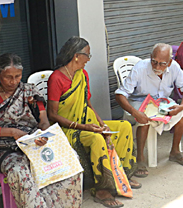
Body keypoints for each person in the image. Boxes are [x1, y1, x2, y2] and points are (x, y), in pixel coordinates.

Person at [47, 37, 139, 208]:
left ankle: (122, 176)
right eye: (87, 55)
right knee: (96, 139)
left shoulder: (83, 75)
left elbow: (88, 104)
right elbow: (52, 115)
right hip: (68, 128)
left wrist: (100, 123)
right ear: (76, 56)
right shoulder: (57, 78)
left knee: (124, 126)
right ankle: (102, 189)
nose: (89, 59)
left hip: (86, 121)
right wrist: (83, 127)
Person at [0, 53, 82, 208]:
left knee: (69, 158)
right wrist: (12, 132)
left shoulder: (29, 92)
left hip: (32, 143)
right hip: (0, 148)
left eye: (18, 76)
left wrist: (43, 136)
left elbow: (44, 121)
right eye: (8, 77)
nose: (13, 82)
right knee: (19, 170)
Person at [115, 43, 183, 171]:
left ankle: (175, 152)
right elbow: (120, 95)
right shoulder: (140, 68)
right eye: (154, 62)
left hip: (161, 101)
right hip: (139, 100)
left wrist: (181, 106)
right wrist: (134, 112)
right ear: (150, 57)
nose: (157, 66)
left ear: (169, 62)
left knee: (182, 115)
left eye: (162, 63)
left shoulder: (174, 67)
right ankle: (140, 159)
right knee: (144, 119)